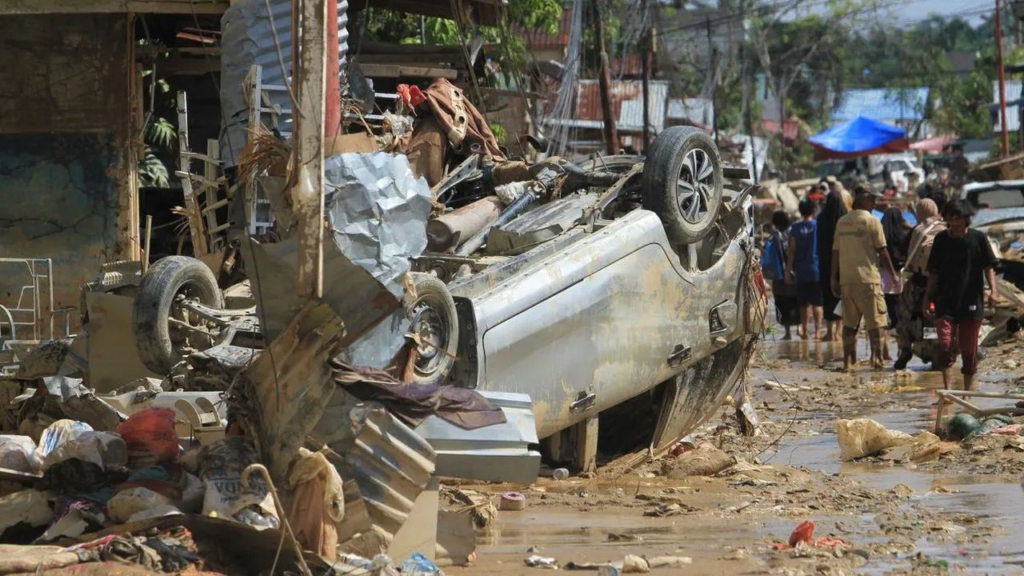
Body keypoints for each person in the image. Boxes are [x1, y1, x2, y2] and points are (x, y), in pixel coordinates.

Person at [924, 200, 998, 391]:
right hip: (945, 300)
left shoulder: (978, 238)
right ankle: (948, 391)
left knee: (969, 349)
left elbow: (988, 267)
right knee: (945, 345)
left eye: (958, 218)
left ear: (966, 219)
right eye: (951, 218)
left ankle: (967, 393)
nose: (954, 222)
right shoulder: (941, 240)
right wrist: (927, 298)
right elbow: (934, 272)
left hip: (972, 300)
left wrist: (993, 292)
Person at [831, 186, 900, 371]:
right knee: (876, 322)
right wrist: (893, 274)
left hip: (847, 280)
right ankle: (876, 360)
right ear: (865, 199)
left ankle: (847, 362)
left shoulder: (842, 222)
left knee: (849, 323)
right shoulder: (872, 221)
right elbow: (882, 250)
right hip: (868, 279)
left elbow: (835, 251)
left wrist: (833, 277)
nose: (875, 203)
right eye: (873, 199)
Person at [894, 197, 946, 369]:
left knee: (903, 315)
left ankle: (905, 349)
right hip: (942, 285)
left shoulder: (918, 230)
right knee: (939, 319)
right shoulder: (946, 228)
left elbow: (909, 258)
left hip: (918, 284)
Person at [787, 200, 823, 339]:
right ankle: (818, 331)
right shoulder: (818, 226)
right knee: (817, 303)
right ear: (813, 211)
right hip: (817, 270)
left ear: (800, 211)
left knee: (803, 304)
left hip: (801, 271)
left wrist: (787, 271)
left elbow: (792, 251)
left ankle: (805, 330)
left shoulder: (795, 228)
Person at [816, 186, 848, 341]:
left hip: (825, 263)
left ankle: (829, 331)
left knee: (828, 295)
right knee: (841, 296)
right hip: (844, 262)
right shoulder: (845, 219)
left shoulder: (822, 218)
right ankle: (839, 331)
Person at [769, 210, 800, 339]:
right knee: (796, 303)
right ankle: (799, 329)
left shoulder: (775, 237)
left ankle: (787, 333)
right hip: (796, 275)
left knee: (783, 304)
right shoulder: (795, 234)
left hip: (780, 277)